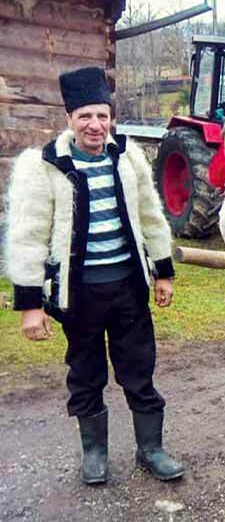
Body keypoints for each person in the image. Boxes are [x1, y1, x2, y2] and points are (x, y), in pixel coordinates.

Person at [4, 67, 185, 485]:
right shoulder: (44, 165)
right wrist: (30, 305)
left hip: (128, 289)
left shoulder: (127, 156)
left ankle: (151, 449)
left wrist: (163, 272)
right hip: (79, 294)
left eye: (102, 116)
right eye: (85, 116)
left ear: (111, 118)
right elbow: (28, 237)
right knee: (85, 373)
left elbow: (150, 217)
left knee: (139, 368)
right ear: (69, 118)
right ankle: (95, 454)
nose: (95, 125)